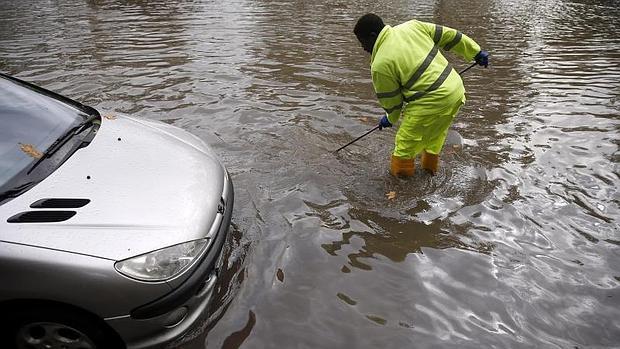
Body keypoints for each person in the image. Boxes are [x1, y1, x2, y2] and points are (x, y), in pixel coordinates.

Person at [353, 13, 489, 176]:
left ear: (373, 36)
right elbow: (450, 36)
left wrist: (389, 119)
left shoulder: (380, 64)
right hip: (456, 90)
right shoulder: (412, 26)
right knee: (435, 135)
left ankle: (400, 189)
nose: (363, 48)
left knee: (405, 145)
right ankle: (429, 173)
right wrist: (475, 52)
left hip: (431, 100)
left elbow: (393, 102)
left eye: (363, 42)